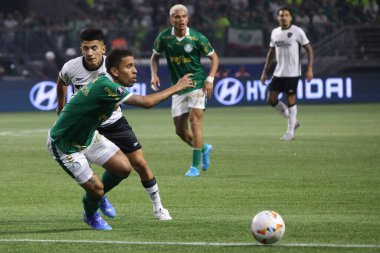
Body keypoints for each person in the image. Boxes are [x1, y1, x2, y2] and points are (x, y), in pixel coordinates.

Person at [48, 48, 194, 230]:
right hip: (65, 144)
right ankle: (91, 214)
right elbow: (146, 102)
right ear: (115, 71)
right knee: (97, 189)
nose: (135, 70)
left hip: (89, 137)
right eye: (129, 66)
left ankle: (97, 199)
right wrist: (178, 86)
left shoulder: (106, 84)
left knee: (124, 168)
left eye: (134, 66)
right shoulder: (106, 86)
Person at [56, 28, 171, 221]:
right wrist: (60, 107)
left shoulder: (114, 66)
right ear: (81, 49)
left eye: (94, 48)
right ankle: (97, 196)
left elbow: (132, 90)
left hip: (113, 122)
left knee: (139, 163)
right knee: (112, 166)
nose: (90, 53)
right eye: (85, 48)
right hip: (88, 125)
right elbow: (61, 81)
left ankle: (159, 208)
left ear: (103, 48)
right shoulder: (71, 67)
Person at [150, 4, 219, 177]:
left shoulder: (197, 38)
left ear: (188, 18)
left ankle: (194, 167)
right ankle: (204, 148)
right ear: (170, 19)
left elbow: (214, 57)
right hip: (178, 87)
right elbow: (155, 56)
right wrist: (154, 74)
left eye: (183, 16)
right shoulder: (164, 38)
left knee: (195, 123)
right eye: (176, 16)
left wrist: (209, 79)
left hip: (196, 83)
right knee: (180, 131)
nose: (180, 20)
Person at [260, 6, 313, 141]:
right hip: (278, 72)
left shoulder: (297, 31)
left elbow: (309, 50)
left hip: (293, 72)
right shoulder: (274, 32)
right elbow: (271, 54)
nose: (283, 17)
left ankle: (290, 132)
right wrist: (265, 72)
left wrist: (310, 69)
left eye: (286, 15)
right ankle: (293, 121)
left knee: (291, 99)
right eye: (281, 15)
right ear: (278, 18)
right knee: (271, 99)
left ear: (291, 18)